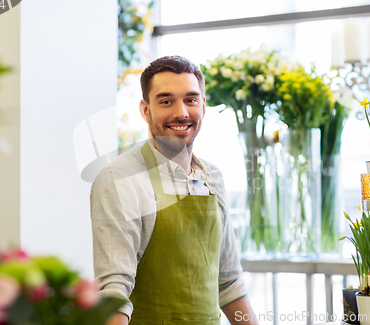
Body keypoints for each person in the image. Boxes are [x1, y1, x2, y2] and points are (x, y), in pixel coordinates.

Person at [91, 55, 259, 325]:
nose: (181, 112)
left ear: (203, 106)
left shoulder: (212, 178)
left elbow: (228, 283)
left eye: (191, 99)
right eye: (166, 101)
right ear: (146, 110)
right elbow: (114, 291)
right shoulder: (119, 179)